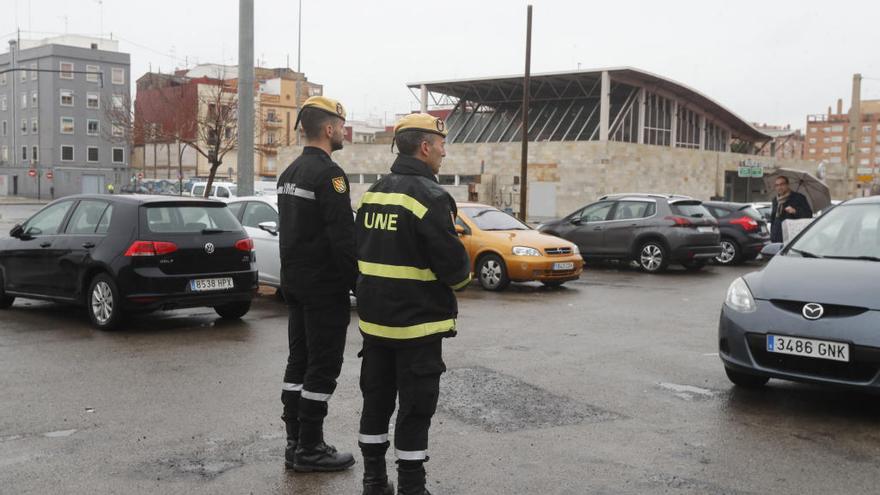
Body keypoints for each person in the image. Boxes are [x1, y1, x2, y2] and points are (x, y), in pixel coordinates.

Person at [355, 114, 471, 495]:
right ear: (424, 147)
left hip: (374, 326)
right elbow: (457, 272)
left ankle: (373, 481)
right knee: (415, 410)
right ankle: (411, 487)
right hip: (417, 329)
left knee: (376, 404)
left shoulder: (373, 193)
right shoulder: (433, 198)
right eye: (440, 144)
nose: (443, 152)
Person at [277, 96, 357, 472]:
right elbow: (343, 239)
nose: (343, 131)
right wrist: (359, 284)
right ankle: (310, 447)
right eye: (341, 125)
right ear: (328, 129)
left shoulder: (289, 173)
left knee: (299, 363)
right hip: (324, 288)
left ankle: (294, 443)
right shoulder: (330, 175)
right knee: (322, 367)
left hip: (294, 283)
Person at [769, 175, 812, 243]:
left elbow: (808, 215)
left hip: (791, 238)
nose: (779, 187)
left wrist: (795, 211)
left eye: (782, 184)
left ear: (787, 185)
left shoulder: (799, 198)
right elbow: (773, 219)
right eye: (777, 185)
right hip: (776, 238)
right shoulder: (775, 200)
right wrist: (772, 235)